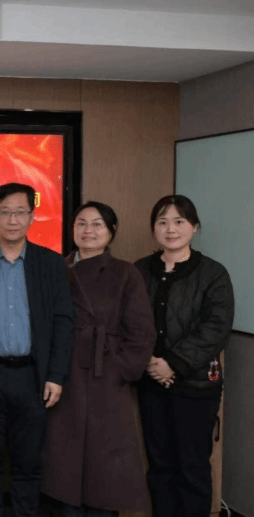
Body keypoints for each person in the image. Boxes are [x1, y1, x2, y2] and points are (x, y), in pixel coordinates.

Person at [0, 182, 74, 517]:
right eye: (5, 212)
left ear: (32, 217)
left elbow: (63, 322)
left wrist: (56, 376)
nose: (12, 220)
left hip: (32, 375)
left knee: (28, 462)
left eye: (20, 212)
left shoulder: (51, 263)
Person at [41, 201, 155, 516]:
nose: (88, 230)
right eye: (81, 223)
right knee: (64, 462)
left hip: (106, 377)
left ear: (111, 231)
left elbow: (142, 332)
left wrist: (121, 368)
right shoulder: (56, 268)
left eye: (97, 224)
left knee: (105, 467)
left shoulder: (125, 272)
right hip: (64, 376)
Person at [134, 194, 234, 517]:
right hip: (151, 384)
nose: (170, 229)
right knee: (159, 467)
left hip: (195, 387)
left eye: (179, 221)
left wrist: (172, 364)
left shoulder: (213, 274)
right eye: (162, 222)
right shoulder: (139, 270)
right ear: (153, 228)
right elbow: (128, 321)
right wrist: (149, 362)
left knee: (192, 468)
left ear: (195, 227)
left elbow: (216, 327)